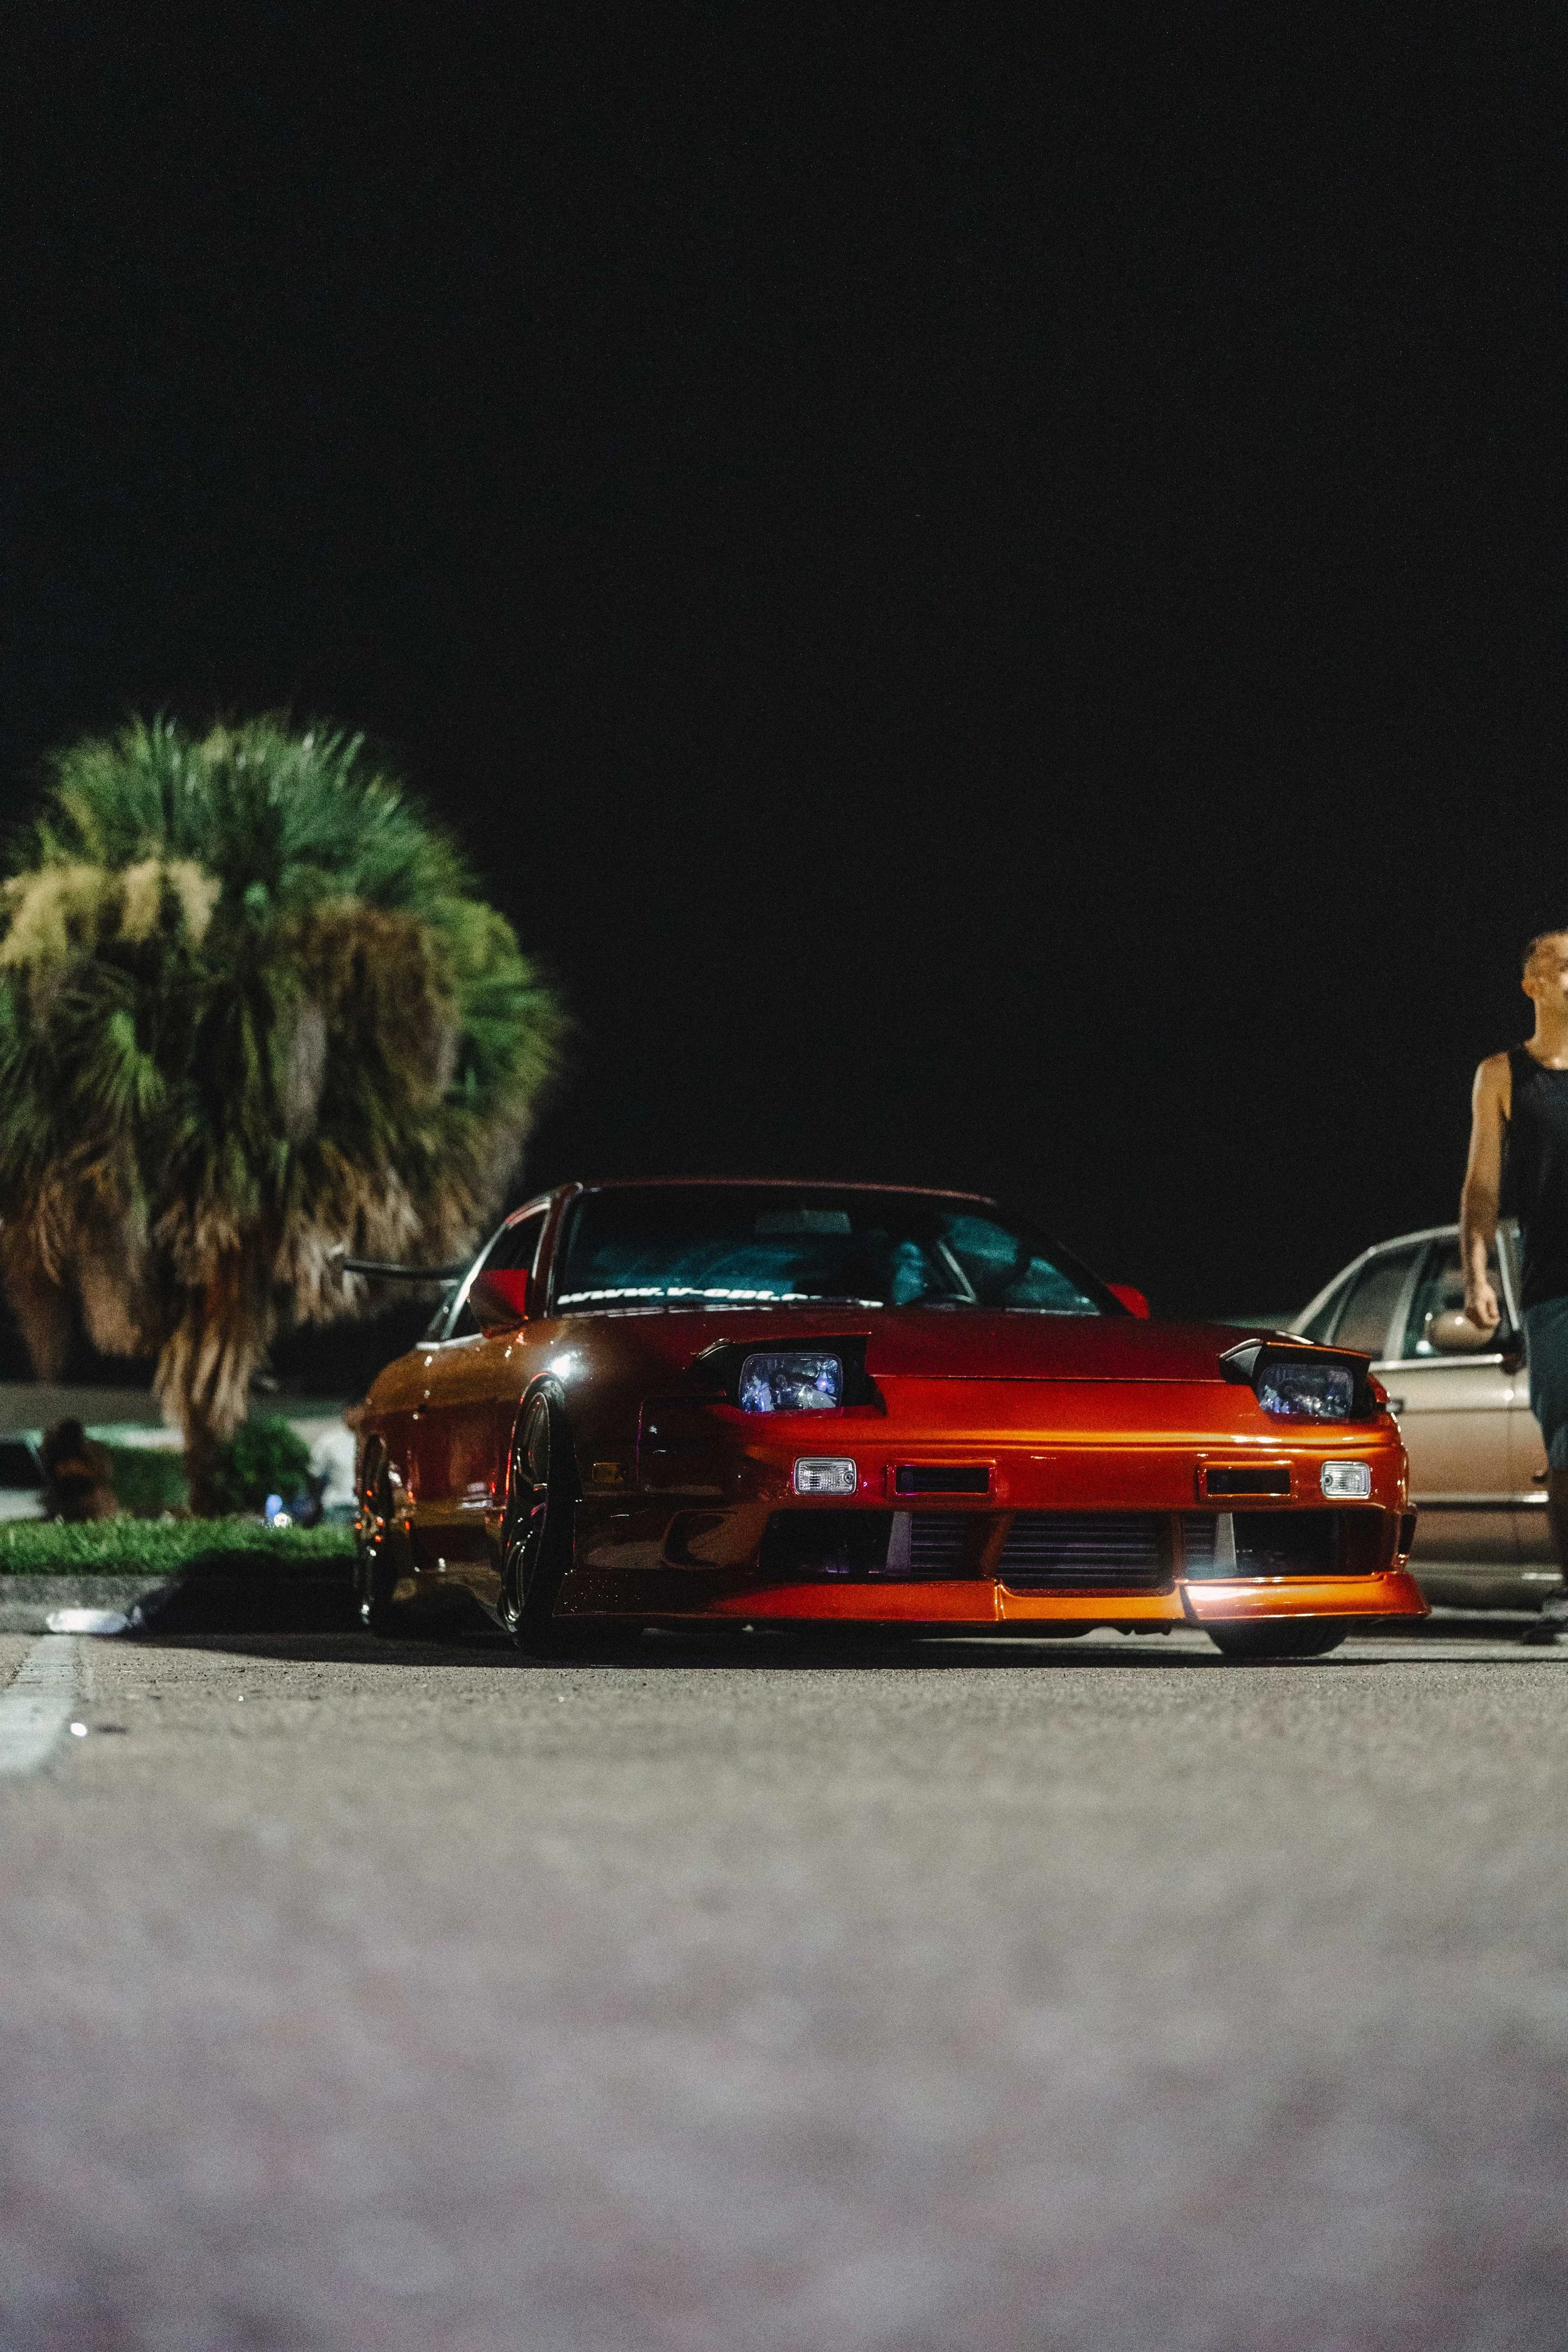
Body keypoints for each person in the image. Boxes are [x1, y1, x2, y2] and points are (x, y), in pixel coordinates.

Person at [1461, 926, 1568, 1643]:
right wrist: (1475, 1275)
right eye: (1561, 967)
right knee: (1566, 1443)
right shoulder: (1503, 1074)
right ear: (1532, 985)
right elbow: (1480, 1189)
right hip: (1553, 1285)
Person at [39, 1417, 118, 1523]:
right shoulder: (90, 1455)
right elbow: (103, 1475)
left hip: (73, 1501)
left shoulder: (56, 1460)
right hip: (87, 1498)